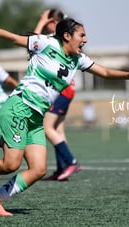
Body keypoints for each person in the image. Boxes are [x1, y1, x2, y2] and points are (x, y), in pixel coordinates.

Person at [0, 18, 129, 216]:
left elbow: (103, 71)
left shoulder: (79, 59)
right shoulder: (46, 43)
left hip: (36, 118)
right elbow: (12, 38)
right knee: (11, 164)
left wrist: (127, 76)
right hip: (19, 107)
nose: (86, 40)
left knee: (38, 169)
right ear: (67, 36)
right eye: (82, 35)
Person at [34, 9, 82, 181]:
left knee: (47, 128)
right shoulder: (65, 36)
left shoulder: (56, 37)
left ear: (52, 22)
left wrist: (40, 23)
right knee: (58, 130)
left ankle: (71, 162)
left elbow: (31, 41)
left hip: (60, 90)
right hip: (69, 89)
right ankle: (62, 170)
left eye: (47, 22)